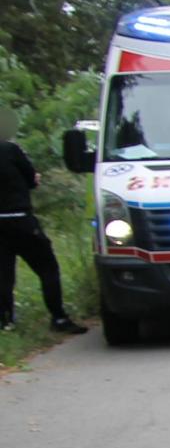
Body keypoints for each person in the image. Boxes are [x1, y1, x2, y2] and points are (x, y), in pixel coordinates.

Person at [0, 105, 87, 334]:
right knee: (48, 268)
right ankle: (58, 317)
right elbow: (31, 179)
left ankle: (5, 322)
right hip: (21, 219)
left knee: (4, 274)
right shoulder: (10, 150)